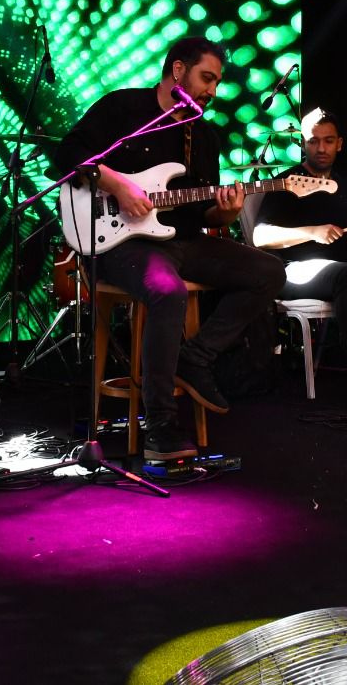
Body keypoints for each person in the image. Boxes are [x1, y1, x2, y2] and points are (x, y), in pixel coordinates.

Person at [49, 37, 285, 461]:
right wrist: (118, 187)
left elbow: (201, 212)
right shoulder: (123, 108)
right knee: (167, 290)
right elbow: (67, 154)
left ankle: (195, 356)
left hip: (182, 240)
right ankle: (160, 426)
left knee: (268, 271)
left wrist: (225, 212)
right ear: (178, 70)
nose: (212, 90)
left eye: (217, 82)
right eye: (206, 78)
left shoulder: (203, 136)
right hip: (119, 243)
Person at [251, 108, 347, 400]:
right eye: (313, 141)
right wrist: (312, 232)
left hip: (338, 268)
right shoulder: (287, 183)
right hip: (292, 271)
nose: (321, 148)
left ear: (340, 144)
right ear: (302, 143)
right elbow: (261, 237)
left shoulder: (344, 185)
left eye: (328, 141)